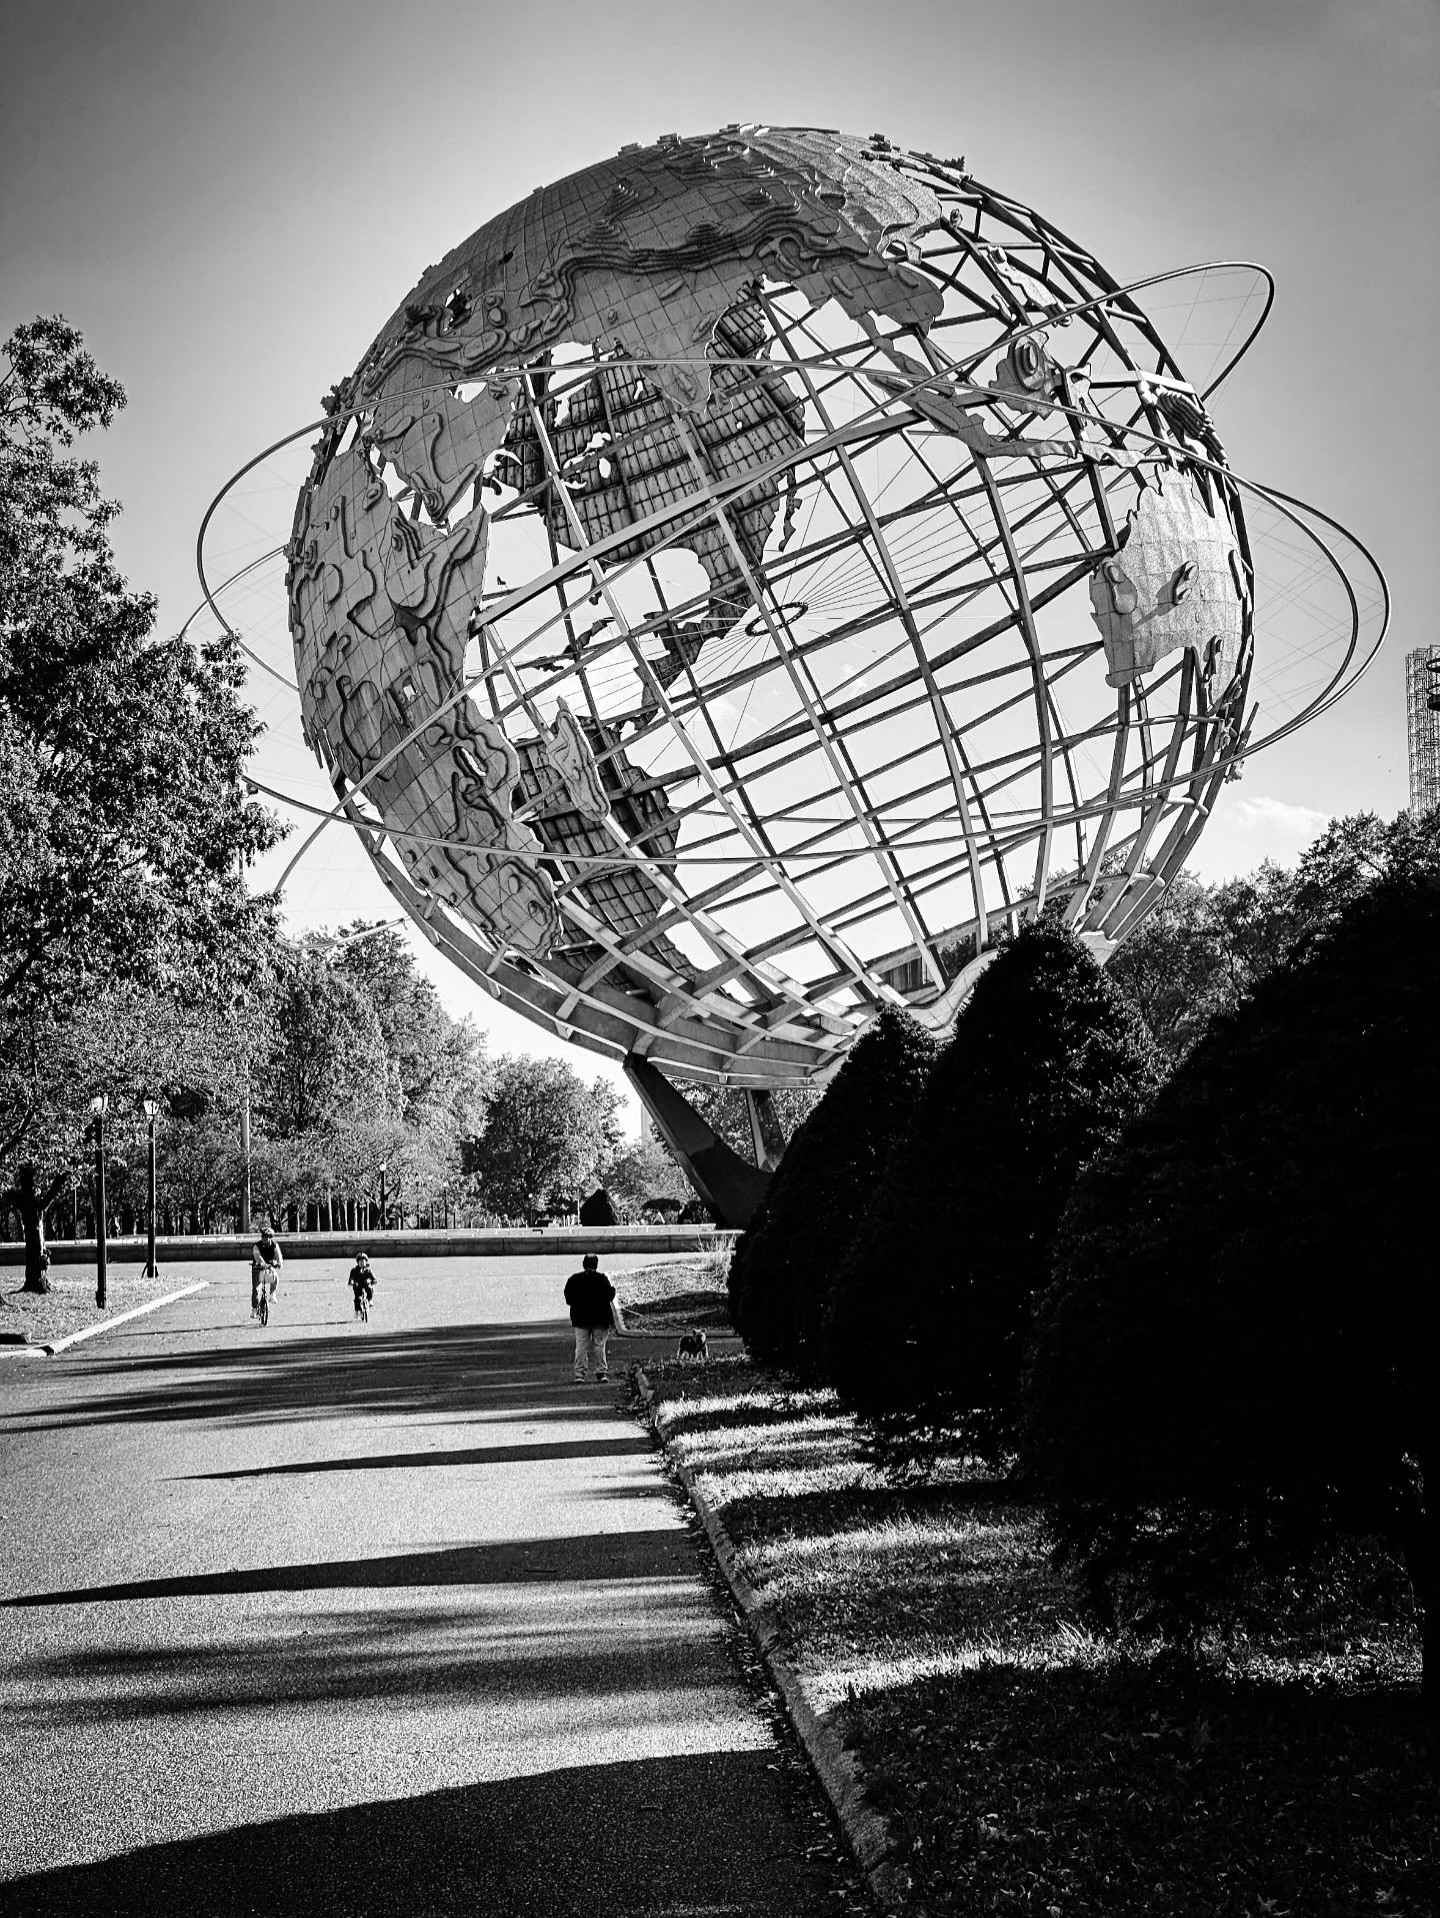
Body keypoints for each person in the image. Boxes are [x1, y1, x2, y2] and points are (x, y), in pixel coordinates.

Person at [564, 1252, 616, 1383]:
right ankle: (601, 1372)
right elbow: (610, 1295)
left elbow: (568, 1298)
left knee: (581, 1346)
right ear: (596, 1265)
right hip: (601, 1318)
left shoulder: (574, 1280)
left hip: (580, 1318)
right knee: (599, 1346)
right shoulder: (602, 1279)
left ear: (583, 1264)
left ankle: (579, 1374)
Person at [251, 1225, 282, 1317]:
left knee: (275, 1277)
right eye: (263, 1236)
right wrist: (261, 1263)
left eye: (266, 1236)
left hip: (269, 1267)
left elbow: (278, 1255)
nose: (264, 1238)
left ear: (270, 1237)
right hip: (258, 1268)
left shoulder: (274, 1245)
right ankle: (254, 1308)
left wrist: (279, 1263)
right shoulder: (257, 1246)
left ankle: (272, 1294)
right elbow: (257, 1256)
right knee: (256, 1289)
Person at [347, 1251, 375, 1317]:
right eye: (360, 1261)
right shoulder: (354, 1271)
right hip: (358, 1286)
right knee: (358, 1298)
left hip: (366, 1285)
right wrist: (352, 1282)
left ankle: (370, 1300)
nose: (362, 1263)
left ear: (366, 1262)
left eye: (363, 1261)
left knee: (370, 1289)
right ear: (358, 1262)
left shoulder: (368, 1270)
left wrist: (372, 1280)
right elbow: (351, 1279)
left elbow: (373, 1277)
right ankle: (357, 1311)